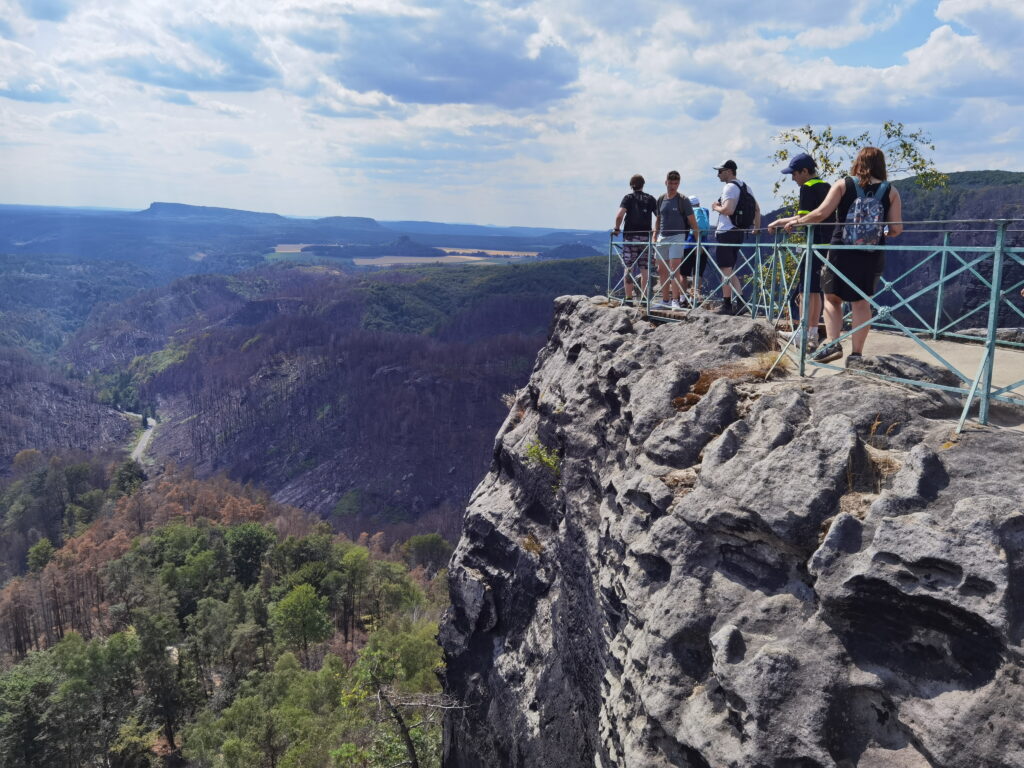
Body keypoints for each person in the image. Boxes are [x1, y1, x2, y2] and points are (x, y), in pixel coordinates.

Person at [784, 147, 904, 365]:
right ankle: (856, 354)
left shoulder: (843, 184)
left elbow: (821, 214)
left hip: (841, 251)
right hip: (871, 253)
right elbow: (896, 229)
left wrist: (797, 221)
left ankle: (833, 344)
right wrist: (878, 231)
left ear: (858, 162)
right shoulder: (891, 191)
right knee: (861, 302)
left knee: (832, 298)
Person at [768, 152, 835, 349]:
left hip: (814, 244)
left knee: (806, 290)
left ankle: (805, 334)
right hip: (829, 243)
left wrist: (780, 222)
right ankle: (811, 333)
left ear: (805, 171)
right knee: (816, 291)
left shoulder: (808, 187)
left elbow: (803, 218)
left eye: (795, 174)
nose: (793, 178)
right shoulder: (827, 186)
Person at [711, 160, 761, 315]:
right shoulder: (746, 187)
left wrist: (715, 207)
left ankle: (729, 304)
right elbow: (757, 210)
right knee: (729, 268)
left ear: (729, 171)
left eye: (720, 171)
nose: (718, 174)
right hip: (739, 232)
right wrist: (757, 228)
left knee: (725, 269)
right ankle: (739, 301)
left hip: (727, 232)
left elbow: (728, 210)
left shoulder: (730, 187)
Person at [652, 170, 698, 310]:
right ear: (666, 182)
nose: (673, 186)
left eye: (676, 183)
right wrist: (655, 236)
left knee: (674, 269)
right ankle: (665, 300)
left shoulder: (683, 200)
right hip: (662, 237)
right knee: (661, 270)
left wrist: (698, 242)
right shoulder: (661, 199)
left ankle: (675, 301)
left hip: (677, 236)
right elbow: (658, 219)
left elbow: (693, 222)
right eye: (671, 183)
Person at [613, 174, 658, 304]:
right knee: (645, 269)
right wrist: (655, 232)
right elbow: (659, 216)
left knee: (629, 268)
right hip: (646, 238)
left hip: (630, 237)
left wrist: (616, 229)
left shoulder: (628, 198)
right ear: (643, 185)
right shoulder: (650, 199)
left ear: (631, 185)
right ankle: (644, 298)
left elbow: (619, 216)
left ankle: (628, 299)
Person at [682, 195, 711, 304]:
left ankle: (683, 298)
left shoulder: (687, 213)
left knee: (683, 274)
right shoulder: (705, 211)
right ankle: (695, 298)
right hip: (703, 245)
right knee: (698, 273)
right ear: (698, 203)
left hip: (688, 244)